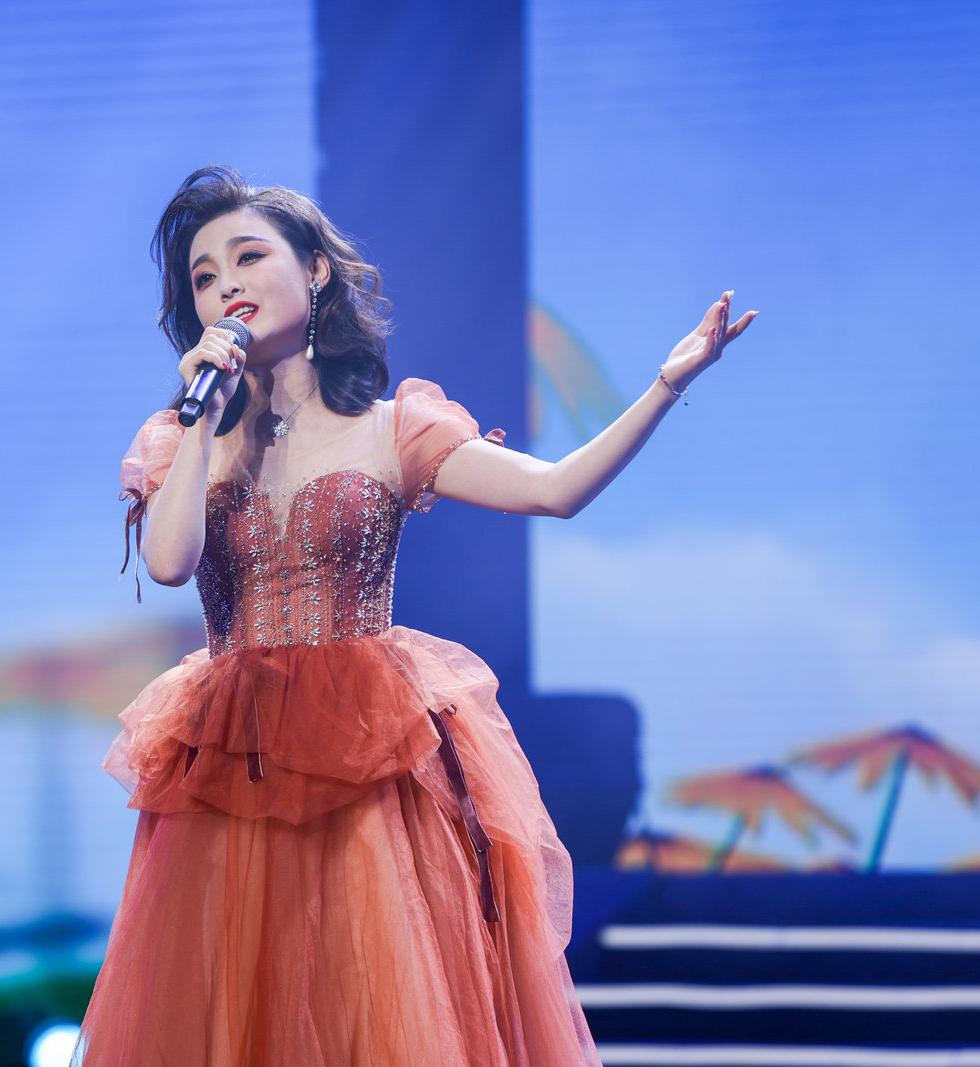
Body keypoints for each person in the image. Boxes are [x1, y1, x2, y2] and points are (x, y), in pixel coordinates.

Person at [76, 166, 757, 1066]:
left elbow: (555, 491)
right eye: (204, 276)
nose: (226, 285)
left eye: (248, 257)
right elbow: (170, 563)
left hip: (366, 761)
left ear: (315, 269)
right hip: (229, 777)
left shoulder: (394, 428)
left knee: (372, 1007)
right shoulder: (181, 439)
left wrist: (667, 384)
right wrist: (202, 415)